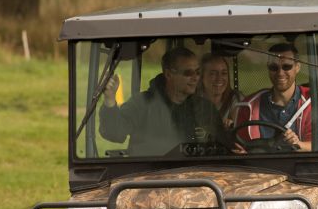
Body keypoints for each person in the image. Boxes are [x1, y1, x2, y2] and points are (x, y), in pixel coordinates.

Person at [99, 47, 231, 156]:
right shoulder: (142, 103)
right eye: (189, 73)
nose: (195, 78)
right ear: (168, 74)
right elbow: (114, 133)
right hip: (151, 179)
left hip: (198, 180)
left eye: (198, 72)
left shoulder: (205, 108)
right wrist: (110, 99)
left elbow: (222, 150)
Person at [235, 43, 318, 151]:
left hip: (298, 166)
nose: (280, 73)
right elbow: (240, 146)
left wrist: (297, 144)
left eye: (286, 66)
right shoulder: (248, 105)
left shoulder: (315, 101)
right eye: (274, 67)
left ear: (297, 67)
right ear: (268, 68)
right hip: (258, 166)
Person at [198, 53, 242, 129]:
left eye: (224, 73)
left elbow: (241, 127)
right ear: (201, 77)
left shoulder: (236, 99)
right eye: (213, 74)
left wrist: (232, 125)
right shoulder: (192, 100)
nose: (219, 78)